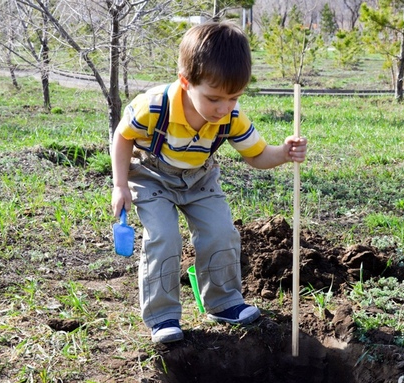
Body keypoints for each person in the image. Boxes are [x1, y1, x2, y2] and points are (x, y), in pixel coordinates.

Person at [110, 21, 307, 344]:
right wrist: (120, 184)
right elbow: (122, 136)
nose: (224, 108)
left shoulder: (231, 116)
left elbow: (256, 156)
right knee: (164, 237)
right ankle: (163, 317)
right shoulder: (154, 106)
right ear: (186, 82)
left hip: (200, 178)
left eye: (234, 98)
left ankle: (224, 302)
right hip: (152, 177)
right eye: (215, 98)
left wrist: (285, 153)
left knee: (220, 233)